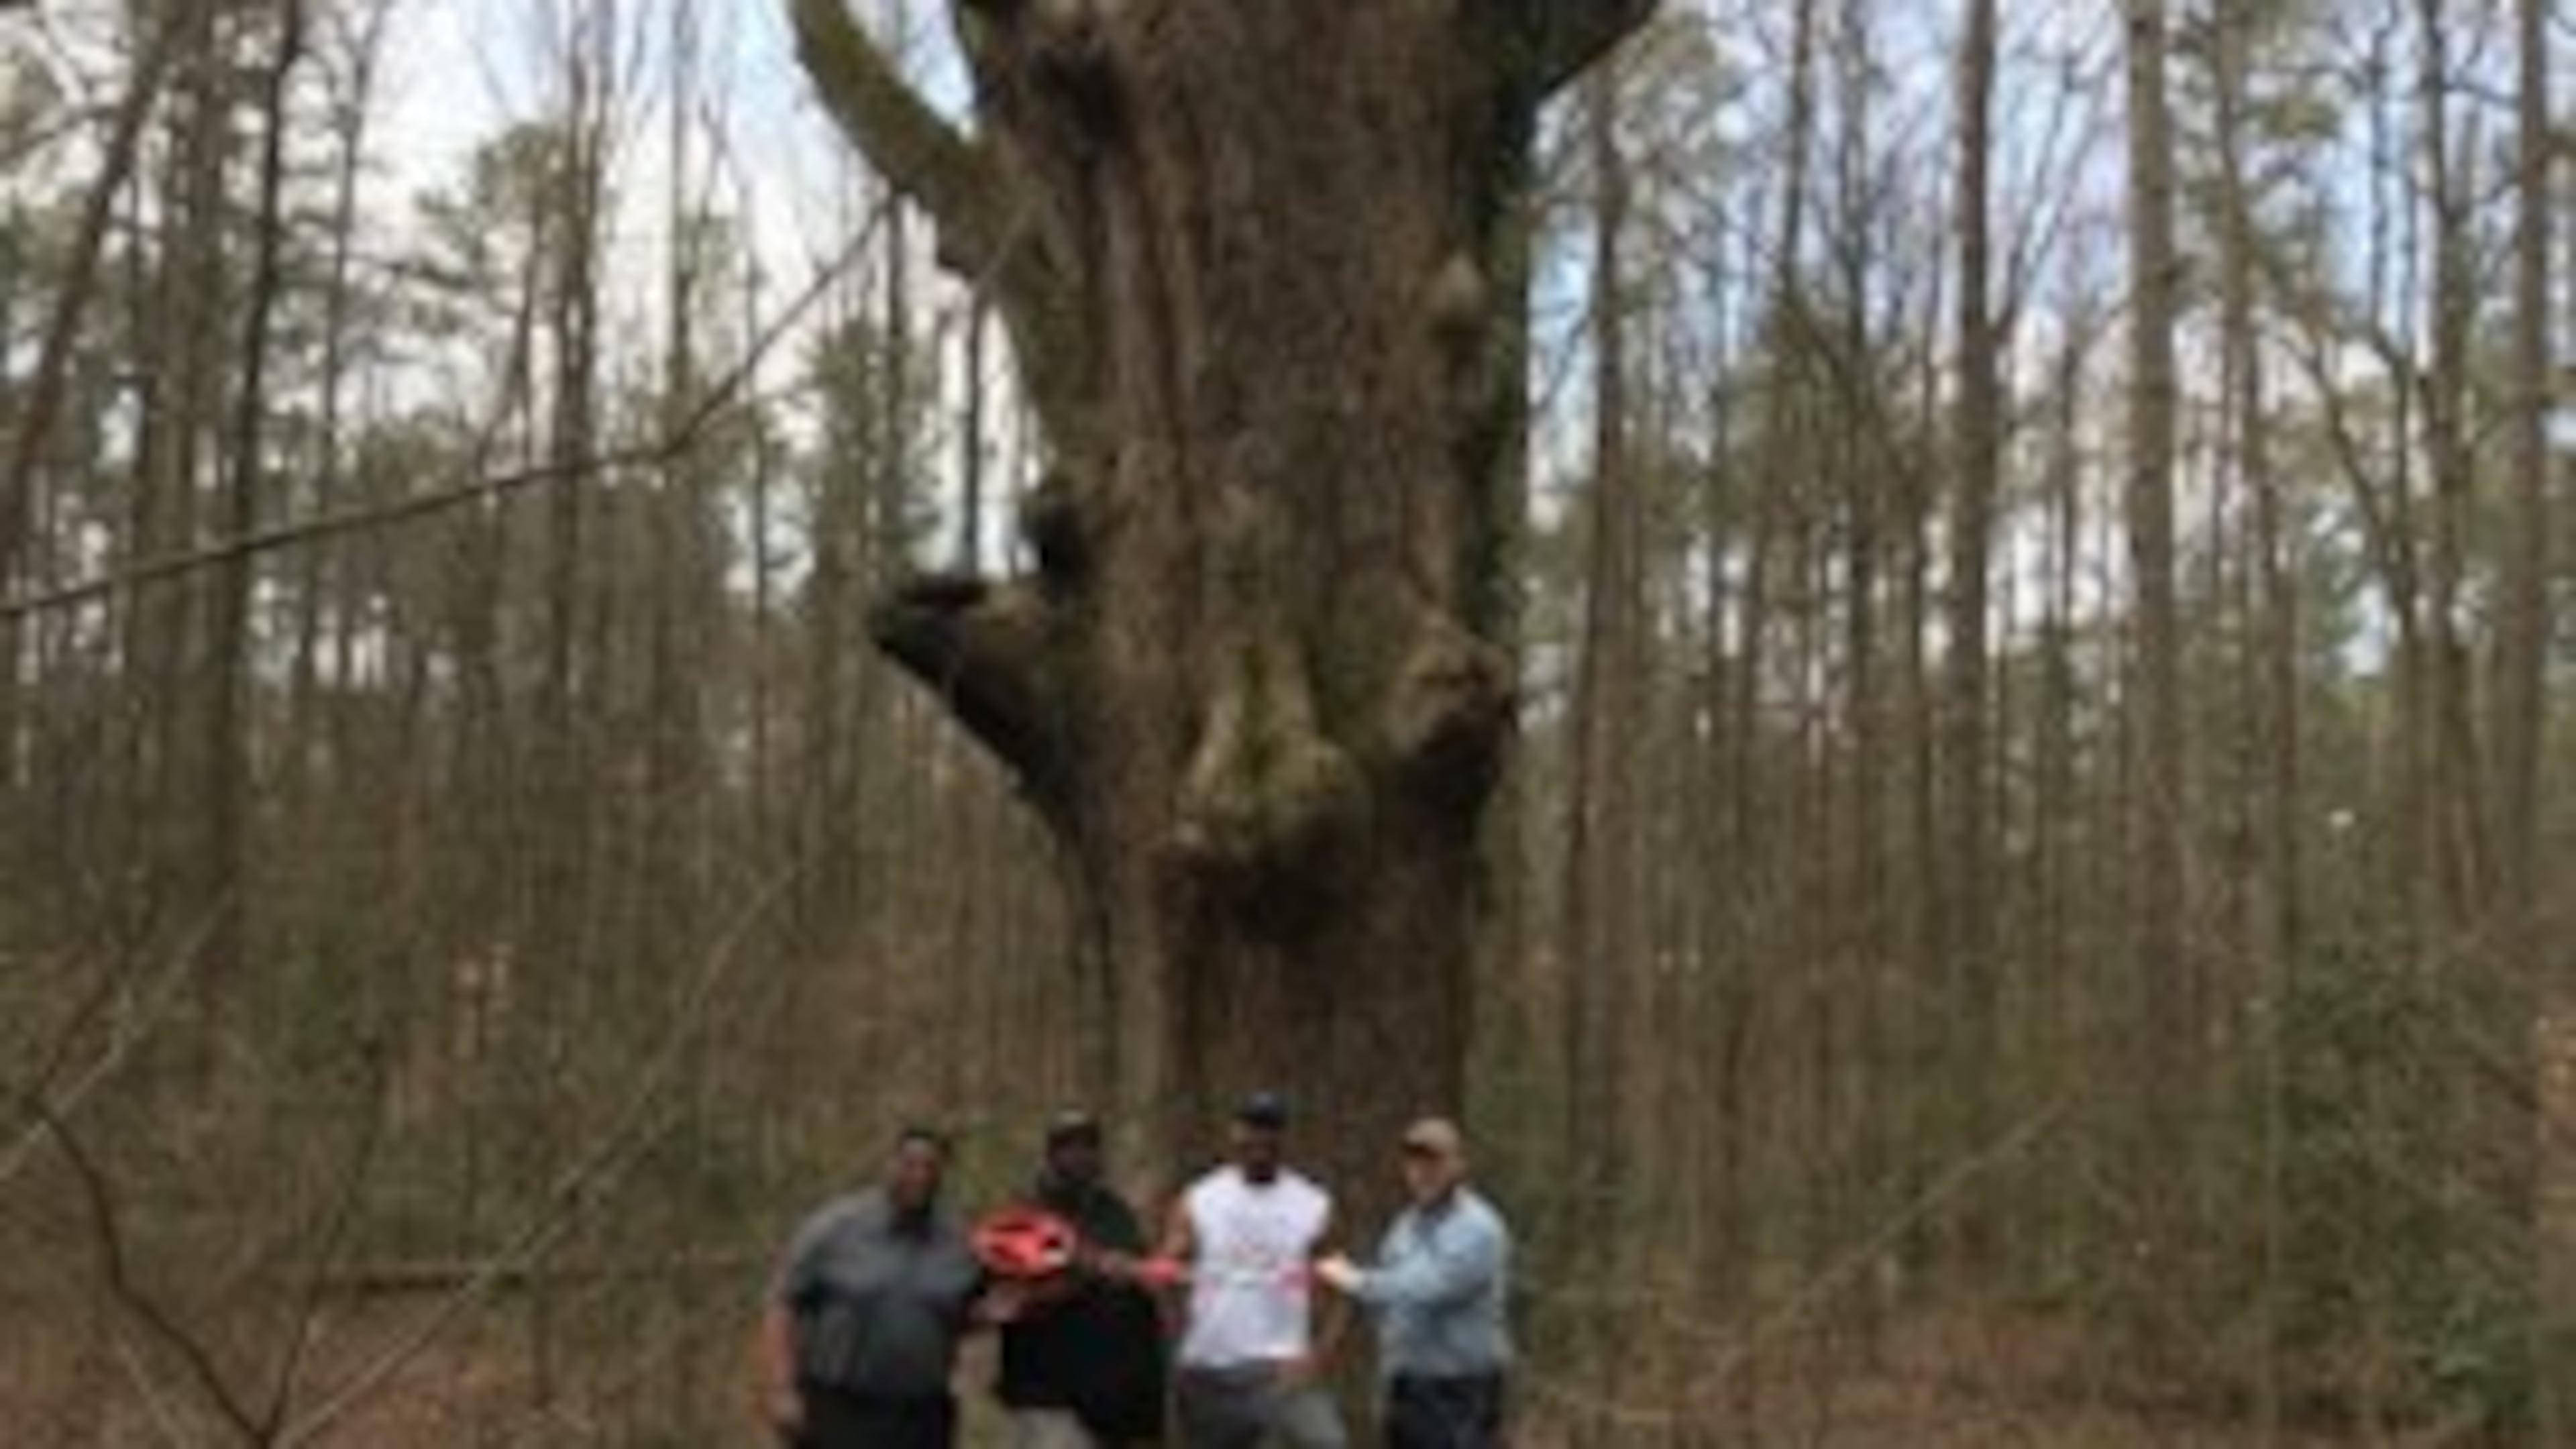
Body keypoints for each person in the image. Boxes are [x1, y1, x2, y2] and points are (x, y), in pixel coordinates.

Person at [757, 1126, 985, 1448]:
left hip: (921, 1414)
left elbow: (960, 1317)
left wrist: (988, 1316)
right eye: (909, 1164)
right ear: (889, 1165)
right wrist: (782, 1389)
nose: (919, 1176)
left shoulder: (959, 1242)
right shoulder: (834, 1228)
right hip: (839, 1406)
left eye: (930, 1167)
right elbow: (782, 1305)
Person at [1162, 1091, 1349, 1449]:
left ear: (1283, 1138)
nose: (1260, 1140)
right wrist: (1177, 1342)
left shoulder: (1311, 1204)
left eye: (1270, 1129)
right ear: (1234, 1134)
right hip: (1209, 1370)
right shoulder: (1200, 1199)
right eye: (1251, 1128)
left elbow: (1343, 1287)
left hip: (1279, 1369)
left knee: (1327, 1440)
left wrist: (1318, 1357)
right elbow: (1167, 1271)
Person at [1314, 1118, 1510, 1449]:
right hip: (1409, 1388)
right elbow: (1389, 1297)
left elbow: (1426, 1287)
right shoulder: (1405, 1226)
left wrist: (1355, 1280)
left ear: (1459, 1165)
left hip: (1461, 1392)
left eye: (1434, 1161)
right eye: (1414, 1161)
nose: (1422, 1172)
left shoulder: (1478, 1228)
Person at [994, 1110, 1170, 1446]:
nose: (1080, 1157)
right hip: (1048, 1392)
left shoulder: (1115, 1211)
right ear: (1051, 1155)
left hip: (1113, 1399)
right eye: (1068, 1147)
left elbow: (1138, 1276)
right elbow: (1017, 1284)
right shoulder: (1025, 1213)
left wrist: (1138, 1274)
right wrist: (1090, 1268)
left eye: (1088, 1147)